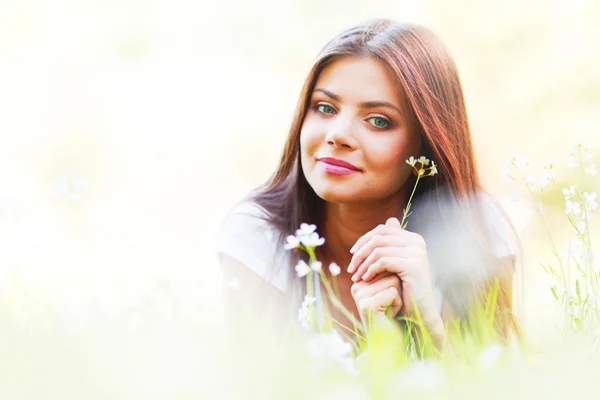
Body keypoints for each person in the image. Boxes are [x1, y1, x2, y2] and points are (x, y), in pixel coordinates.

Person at [217, 18, 520, 352]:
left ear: (426, 141)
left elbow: (492, 383)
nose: (338, 135)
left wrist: (426, 323)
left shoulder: (477, 233)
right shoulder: (260, 236)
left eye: (378, 120)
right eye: (325, 107)